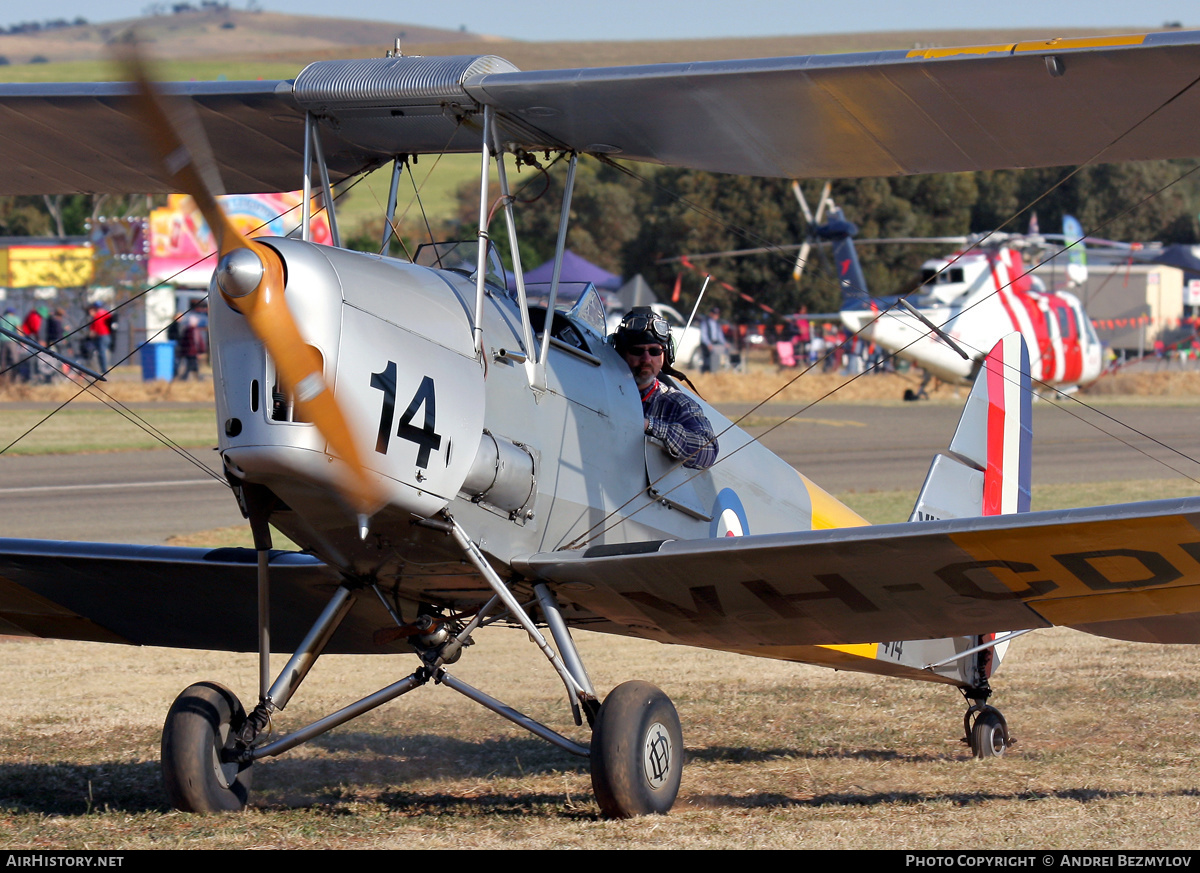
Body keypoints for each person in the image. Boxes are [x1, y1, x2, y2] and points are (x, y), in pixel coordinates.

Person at [613, 306, 718, 470]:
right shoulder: (603, 390)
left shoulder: (678, 404)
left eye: (655, 351)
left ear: (666, 356)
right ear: (620, 353)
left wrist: (650, 426)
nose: (646, 359)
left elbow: (708, 450)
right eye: (636, 351)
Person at [699, 305, 728, 373]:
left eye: (717, 314)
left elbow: (720, 336)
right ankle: (708, 371)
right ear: (711, 314)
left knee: (719, 355)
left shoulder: (717, 324)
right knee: (708, 359)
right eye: (715, 314)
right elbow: (704, 336)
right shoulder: (705, 322)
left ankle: (715, 371)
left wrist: (724, 343)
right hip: (707, 344)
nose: (716, 316)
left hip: (715, 344)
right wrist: (708, 344)